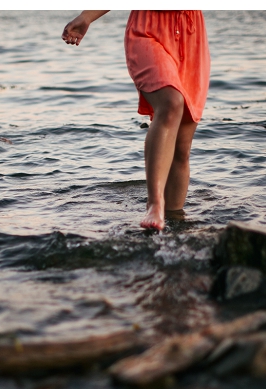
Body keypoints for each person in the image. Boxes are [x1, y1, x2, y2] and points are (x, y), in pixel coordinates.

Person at [62, 10, 210, 230]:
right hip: (148, 29)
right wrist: (87, 17)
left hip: (191, 34)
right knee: (171, 102)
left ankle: (174, 224)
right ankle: (155, 204)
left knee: (181, 147)